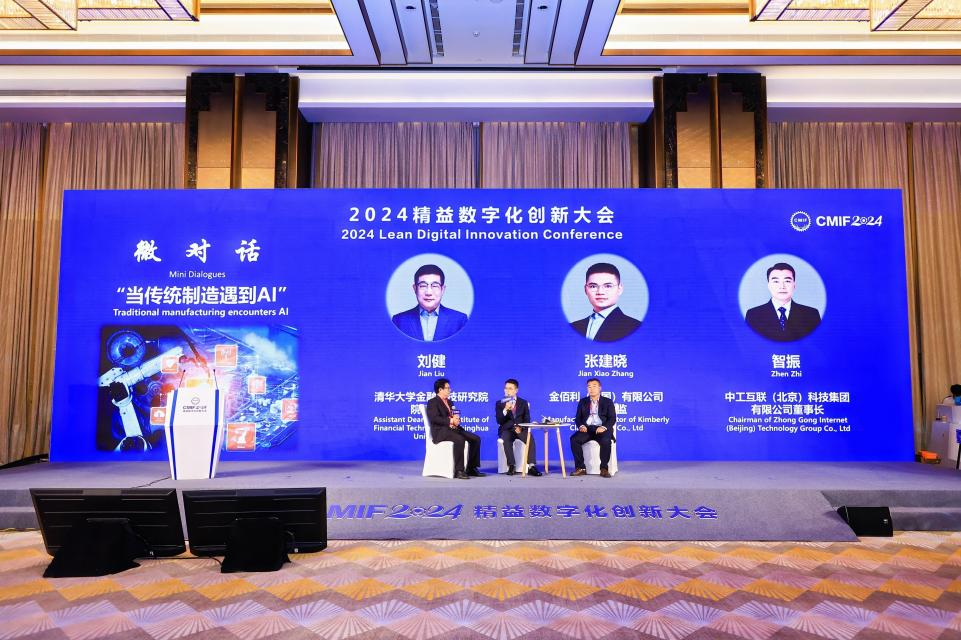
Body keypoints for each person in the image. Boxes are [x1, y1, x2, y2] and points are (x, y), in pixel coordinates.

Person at [745, 262, 821, 342]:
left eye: (787, 281)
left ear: (794, 285)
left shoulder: (811, 314)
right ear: (769, 286)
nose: (782, 286)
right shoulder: (753, 315)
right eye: (776, 281)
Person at [392, 264, 469, 341]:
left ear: (442, 289)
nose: (429, 292)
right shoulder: (399, 321)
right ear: (415, 289)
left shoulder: (459, 320)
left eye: (435, 286)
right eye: (423, 286)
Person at [425, 378, 483, 479]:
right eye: (447, 388)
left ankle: (471, 468)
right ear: (440, 390)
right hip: (441, 432)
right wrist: (450, 421)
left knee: (475, 439)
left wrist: (456, 420)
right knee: (460, 439)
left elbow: (453, 415)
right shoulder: (433, 402)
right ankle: (459, 471)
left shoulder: (450, 402)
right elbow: (434, 418)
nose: (450, 390)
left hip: (454, 429)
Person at [570, 262, 641, 342]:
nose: (600, 292)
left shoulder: (635, 327)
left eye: (608, 286)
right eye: (593, 286)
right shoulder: (573, 327)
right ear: (585, 290)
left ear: (619, 289)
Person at [570, 378, 616, 478]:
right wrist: (581, 426)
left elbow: (612, 418)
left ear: (600, 388)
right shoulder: (583, 401)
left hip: (602, 429)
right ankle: (581, 468)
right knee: (574, 439)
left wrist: (604, 427)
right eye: (589, 387)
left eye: (594, 386)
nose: (591, 389)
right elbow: (578, 418)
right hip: (587, 429)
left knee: (606, 441)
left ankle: (604, 469)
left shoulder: (608, 402)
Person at [494, 378, 541, 476]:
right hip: (507, 429)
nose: (507, 391)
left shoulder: (523, 403)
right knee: (506, 438)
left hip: (520, 429)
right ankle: (511, 465)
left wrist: (521, 428)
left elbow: (527, 419)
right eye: (506, 388)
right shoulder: (500, 403)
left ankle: (531, 466)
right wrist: (505, 409)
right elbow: (499, 421)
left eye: (510, 388)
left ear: (516, 390)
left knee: (529, 438)